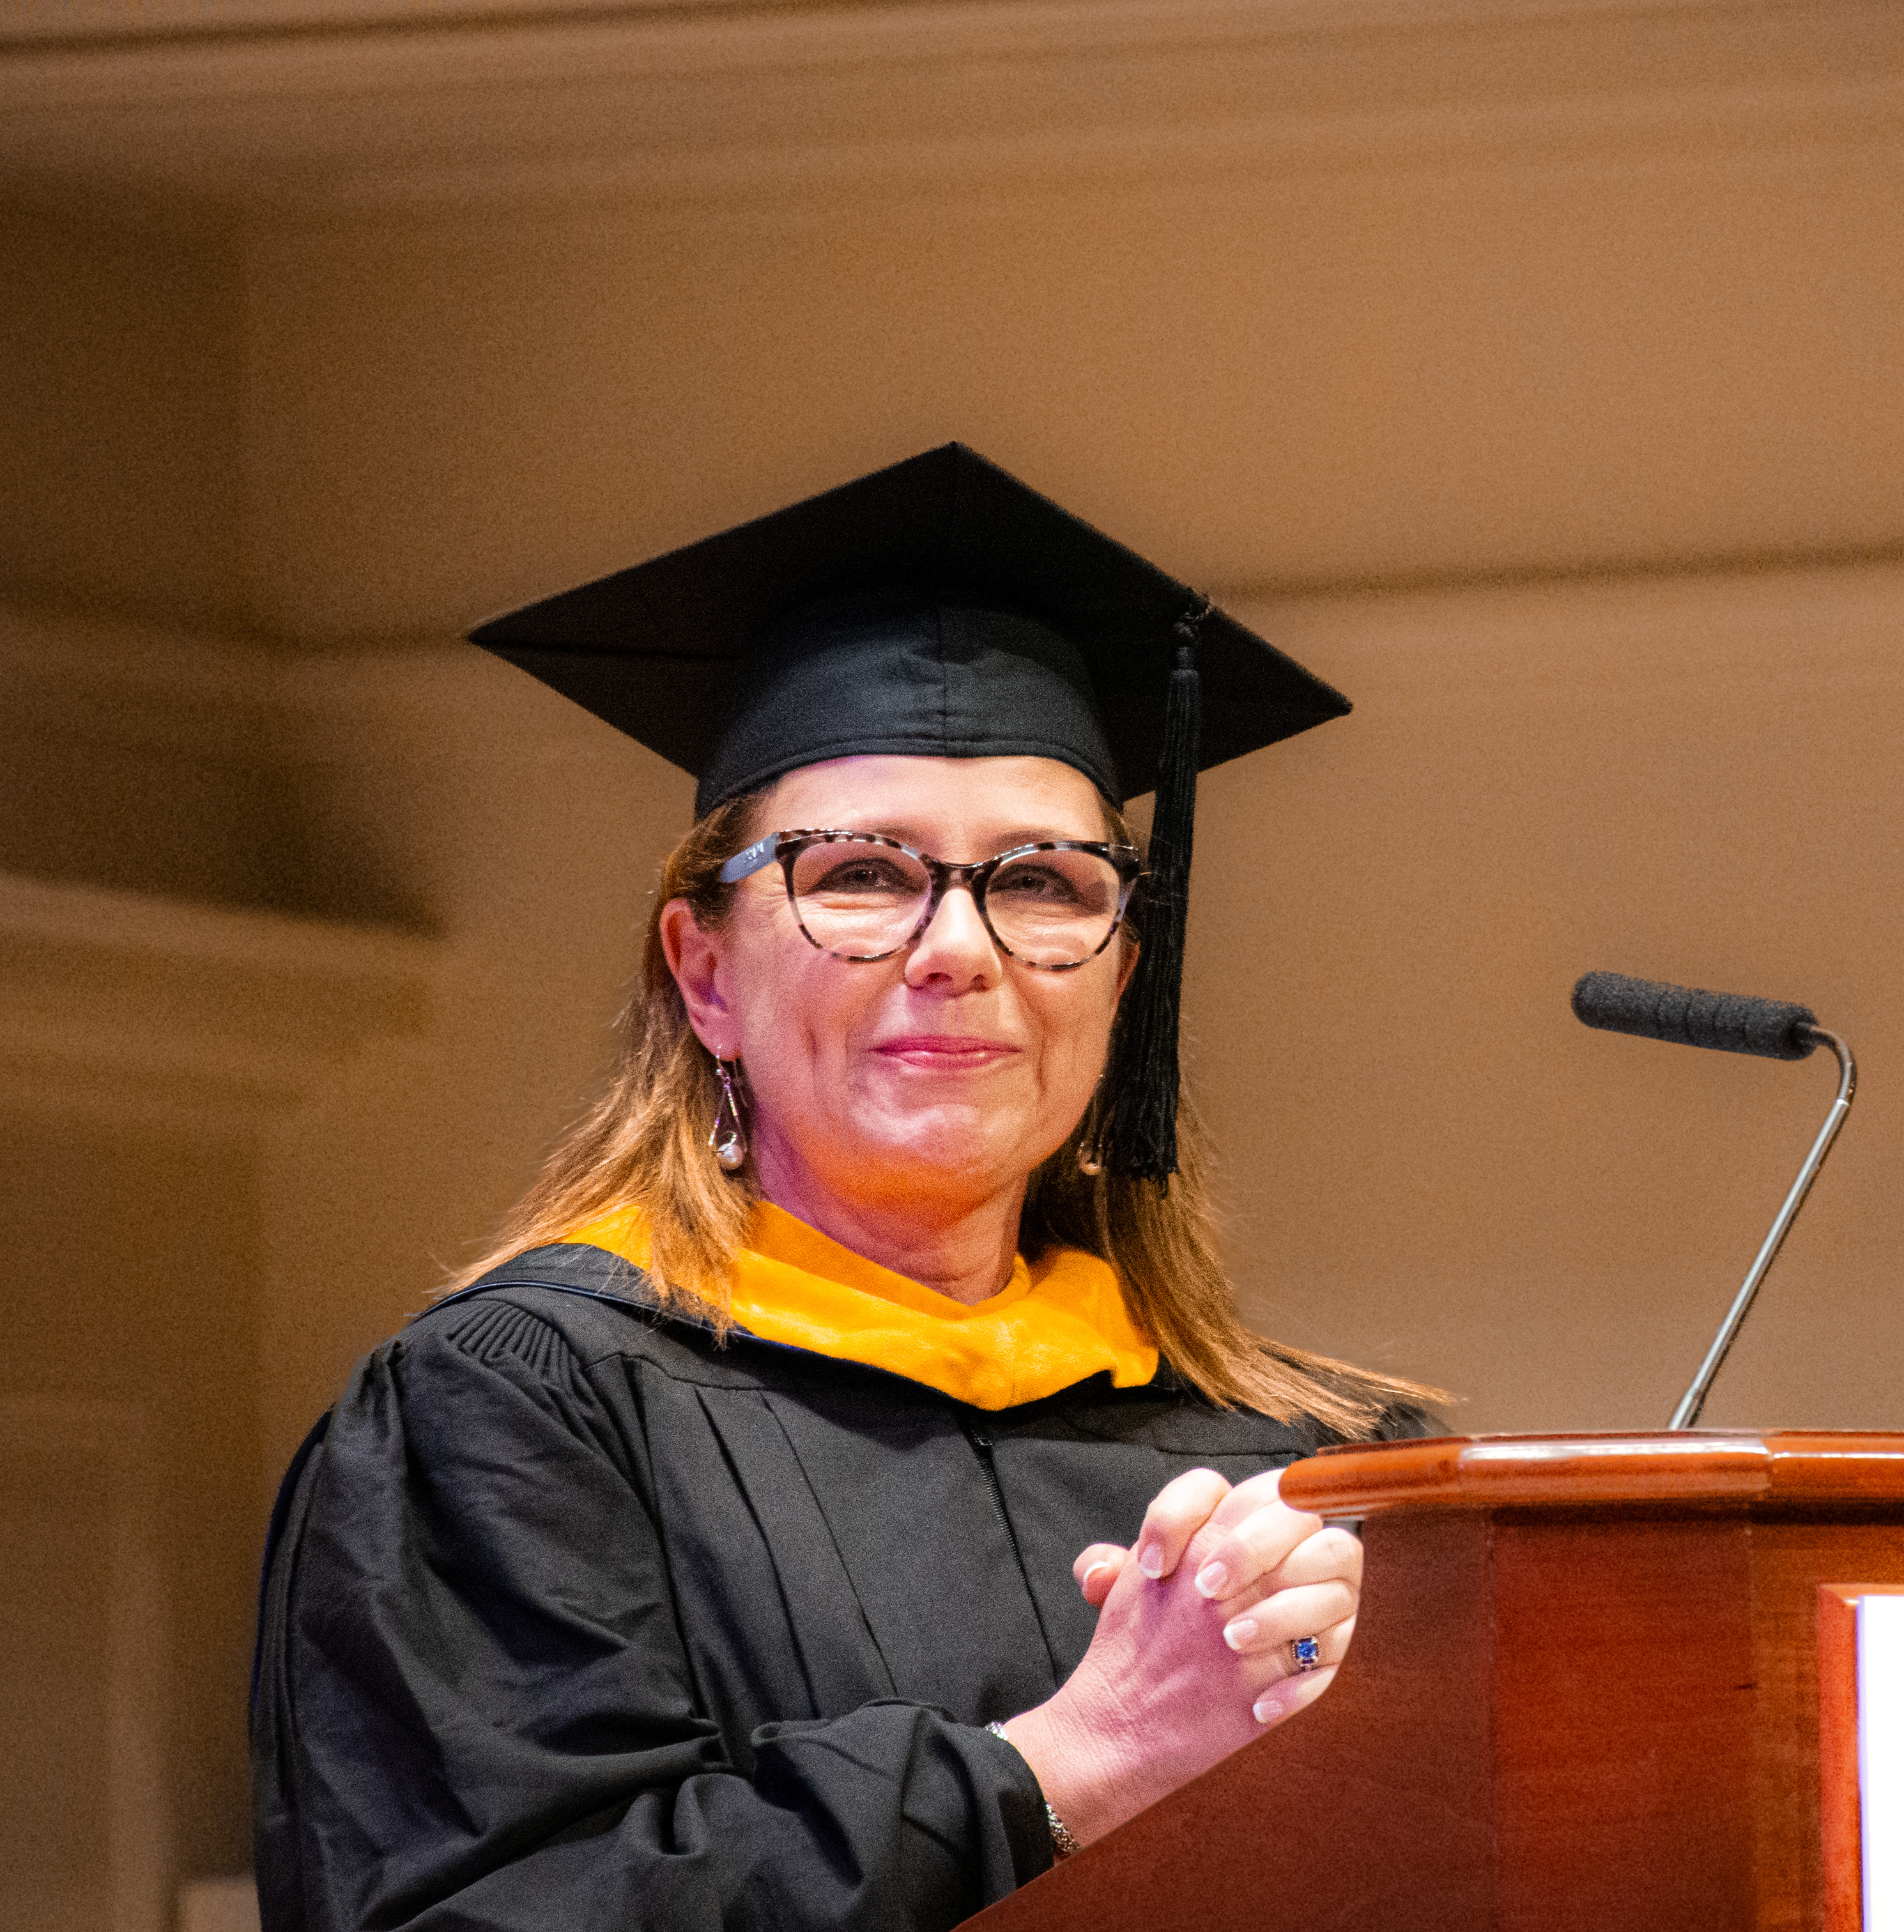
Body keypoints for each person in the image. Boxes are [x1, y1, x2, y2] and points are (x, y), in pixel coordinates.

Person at [250, 444, 1441, 1932]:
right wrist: (1077, 1763)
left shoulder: (1320, 1470)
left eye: (1044, 882)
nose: (959, 947)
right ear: (704, 975)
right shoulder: (516, 1418)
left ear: (1123, 976)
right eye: (863, 873)